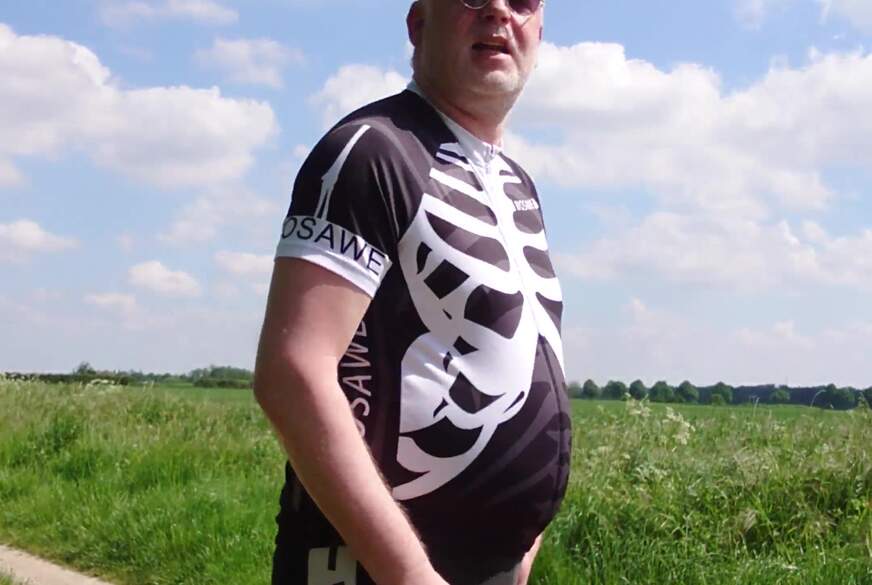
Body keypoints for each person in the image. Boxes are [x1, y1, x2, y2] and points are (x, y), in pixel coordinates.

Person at [253, 1, 571, 583]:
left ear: (540, 30)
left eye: (523, 1)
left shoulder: (516, 183)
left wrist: (522, 540)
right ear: (418, 24)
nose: (499, 11)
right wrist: (410, 576)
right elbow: (292, 372)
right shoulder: (369, 152)